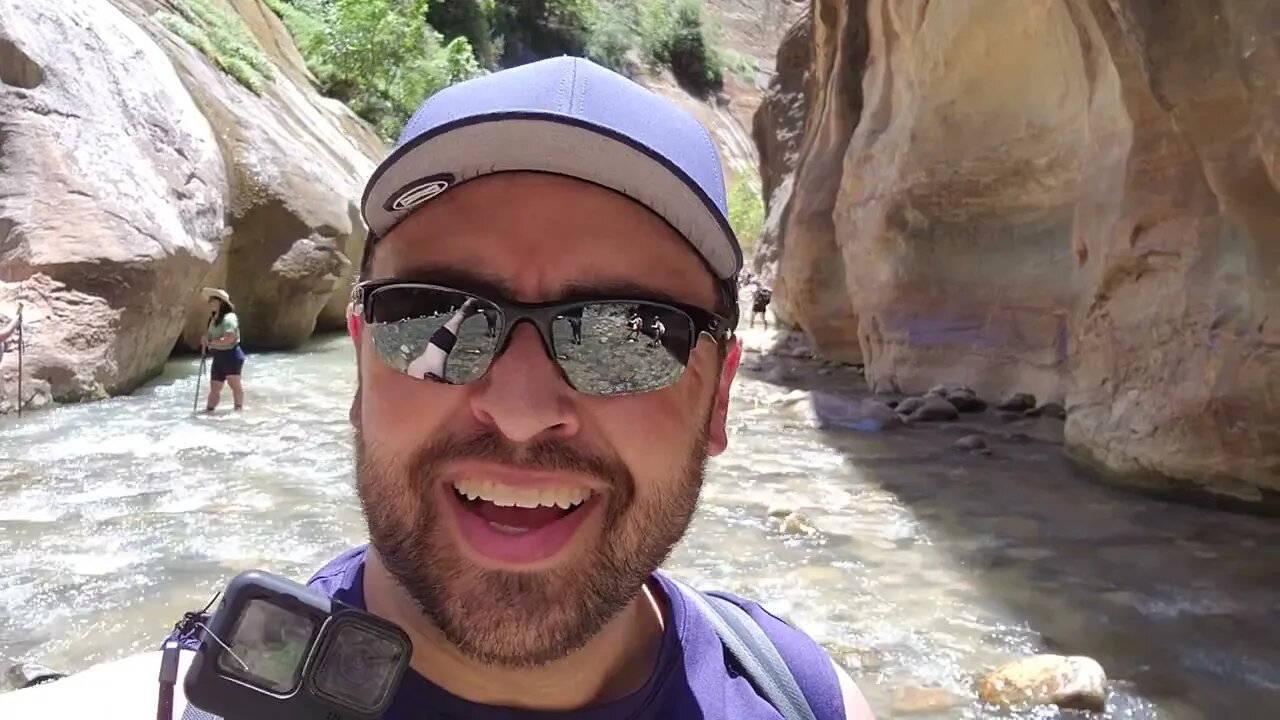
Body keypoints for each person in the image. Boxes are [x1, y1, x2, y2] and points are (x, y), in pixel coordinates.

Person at [0, 57, 874, 720]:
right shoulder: (160, 704)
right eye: (433, 320)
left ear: (717, 400)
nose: (523, 410)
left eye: (627, 334)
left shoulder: (804, 697)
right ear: (360, 367)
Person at [200, 288, 246, 412]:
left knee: (235, 386)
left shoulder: (229, 318)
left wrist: (210, 342)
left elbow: (229, 339)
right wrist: (205, 339)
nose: (210, 303)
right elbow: (210, 335)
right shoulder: (214, 318)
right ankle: (208, 412)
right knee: (215, 388)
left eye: (212, 300)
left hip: (231, 356)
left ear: (221, 302)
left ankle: (238, 411)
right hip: (219, 356)